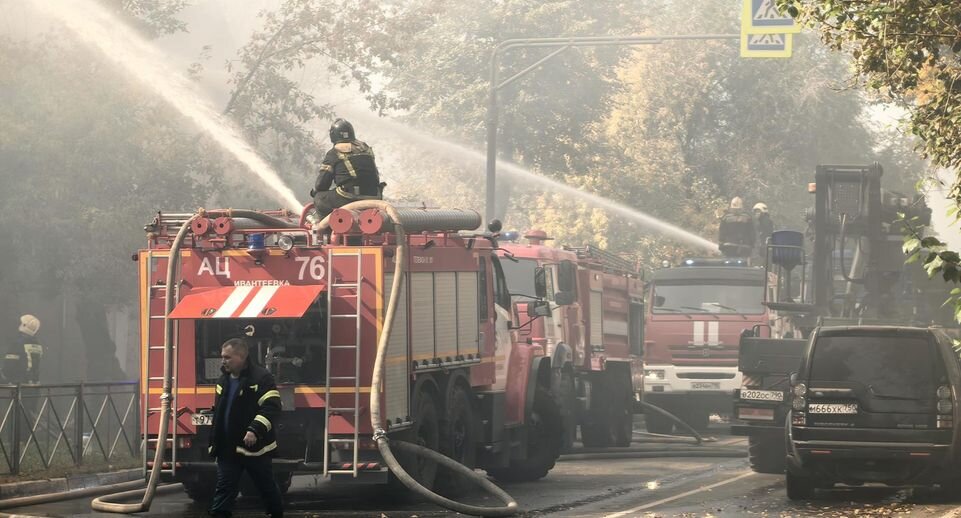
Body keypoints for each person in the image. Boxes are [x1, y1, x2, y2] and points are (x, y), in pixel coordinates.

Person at [208, 338, 283, 518]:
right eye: (222, 357)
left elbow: (272, 406)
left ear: (241, 357)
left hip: (254, 448)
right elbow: (220, 412)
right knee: (224, 489)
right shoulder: (223, 380)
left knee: (266, 487)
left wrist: (254, 430)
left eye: (228, 357)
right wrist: (215, 441)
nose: (223, 361)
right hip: (228, 448)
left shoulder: (261, 378)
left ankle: (275, 513)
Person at [309, 118, 382, 221]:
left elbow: (321, 184)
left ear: (333, 135)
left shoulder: (335, 152)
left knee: (320, 198)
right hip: (374, 196)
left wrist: (316, 192)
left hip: (349, 197)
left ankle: (324, 229)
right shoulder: (365, 149)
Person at [4, 315, 42, 384]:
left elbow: (8, 368)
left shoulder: (17, 343)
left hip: (20, 387)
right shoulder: (37, 344)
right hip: (34, 385)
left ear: (24, 325)